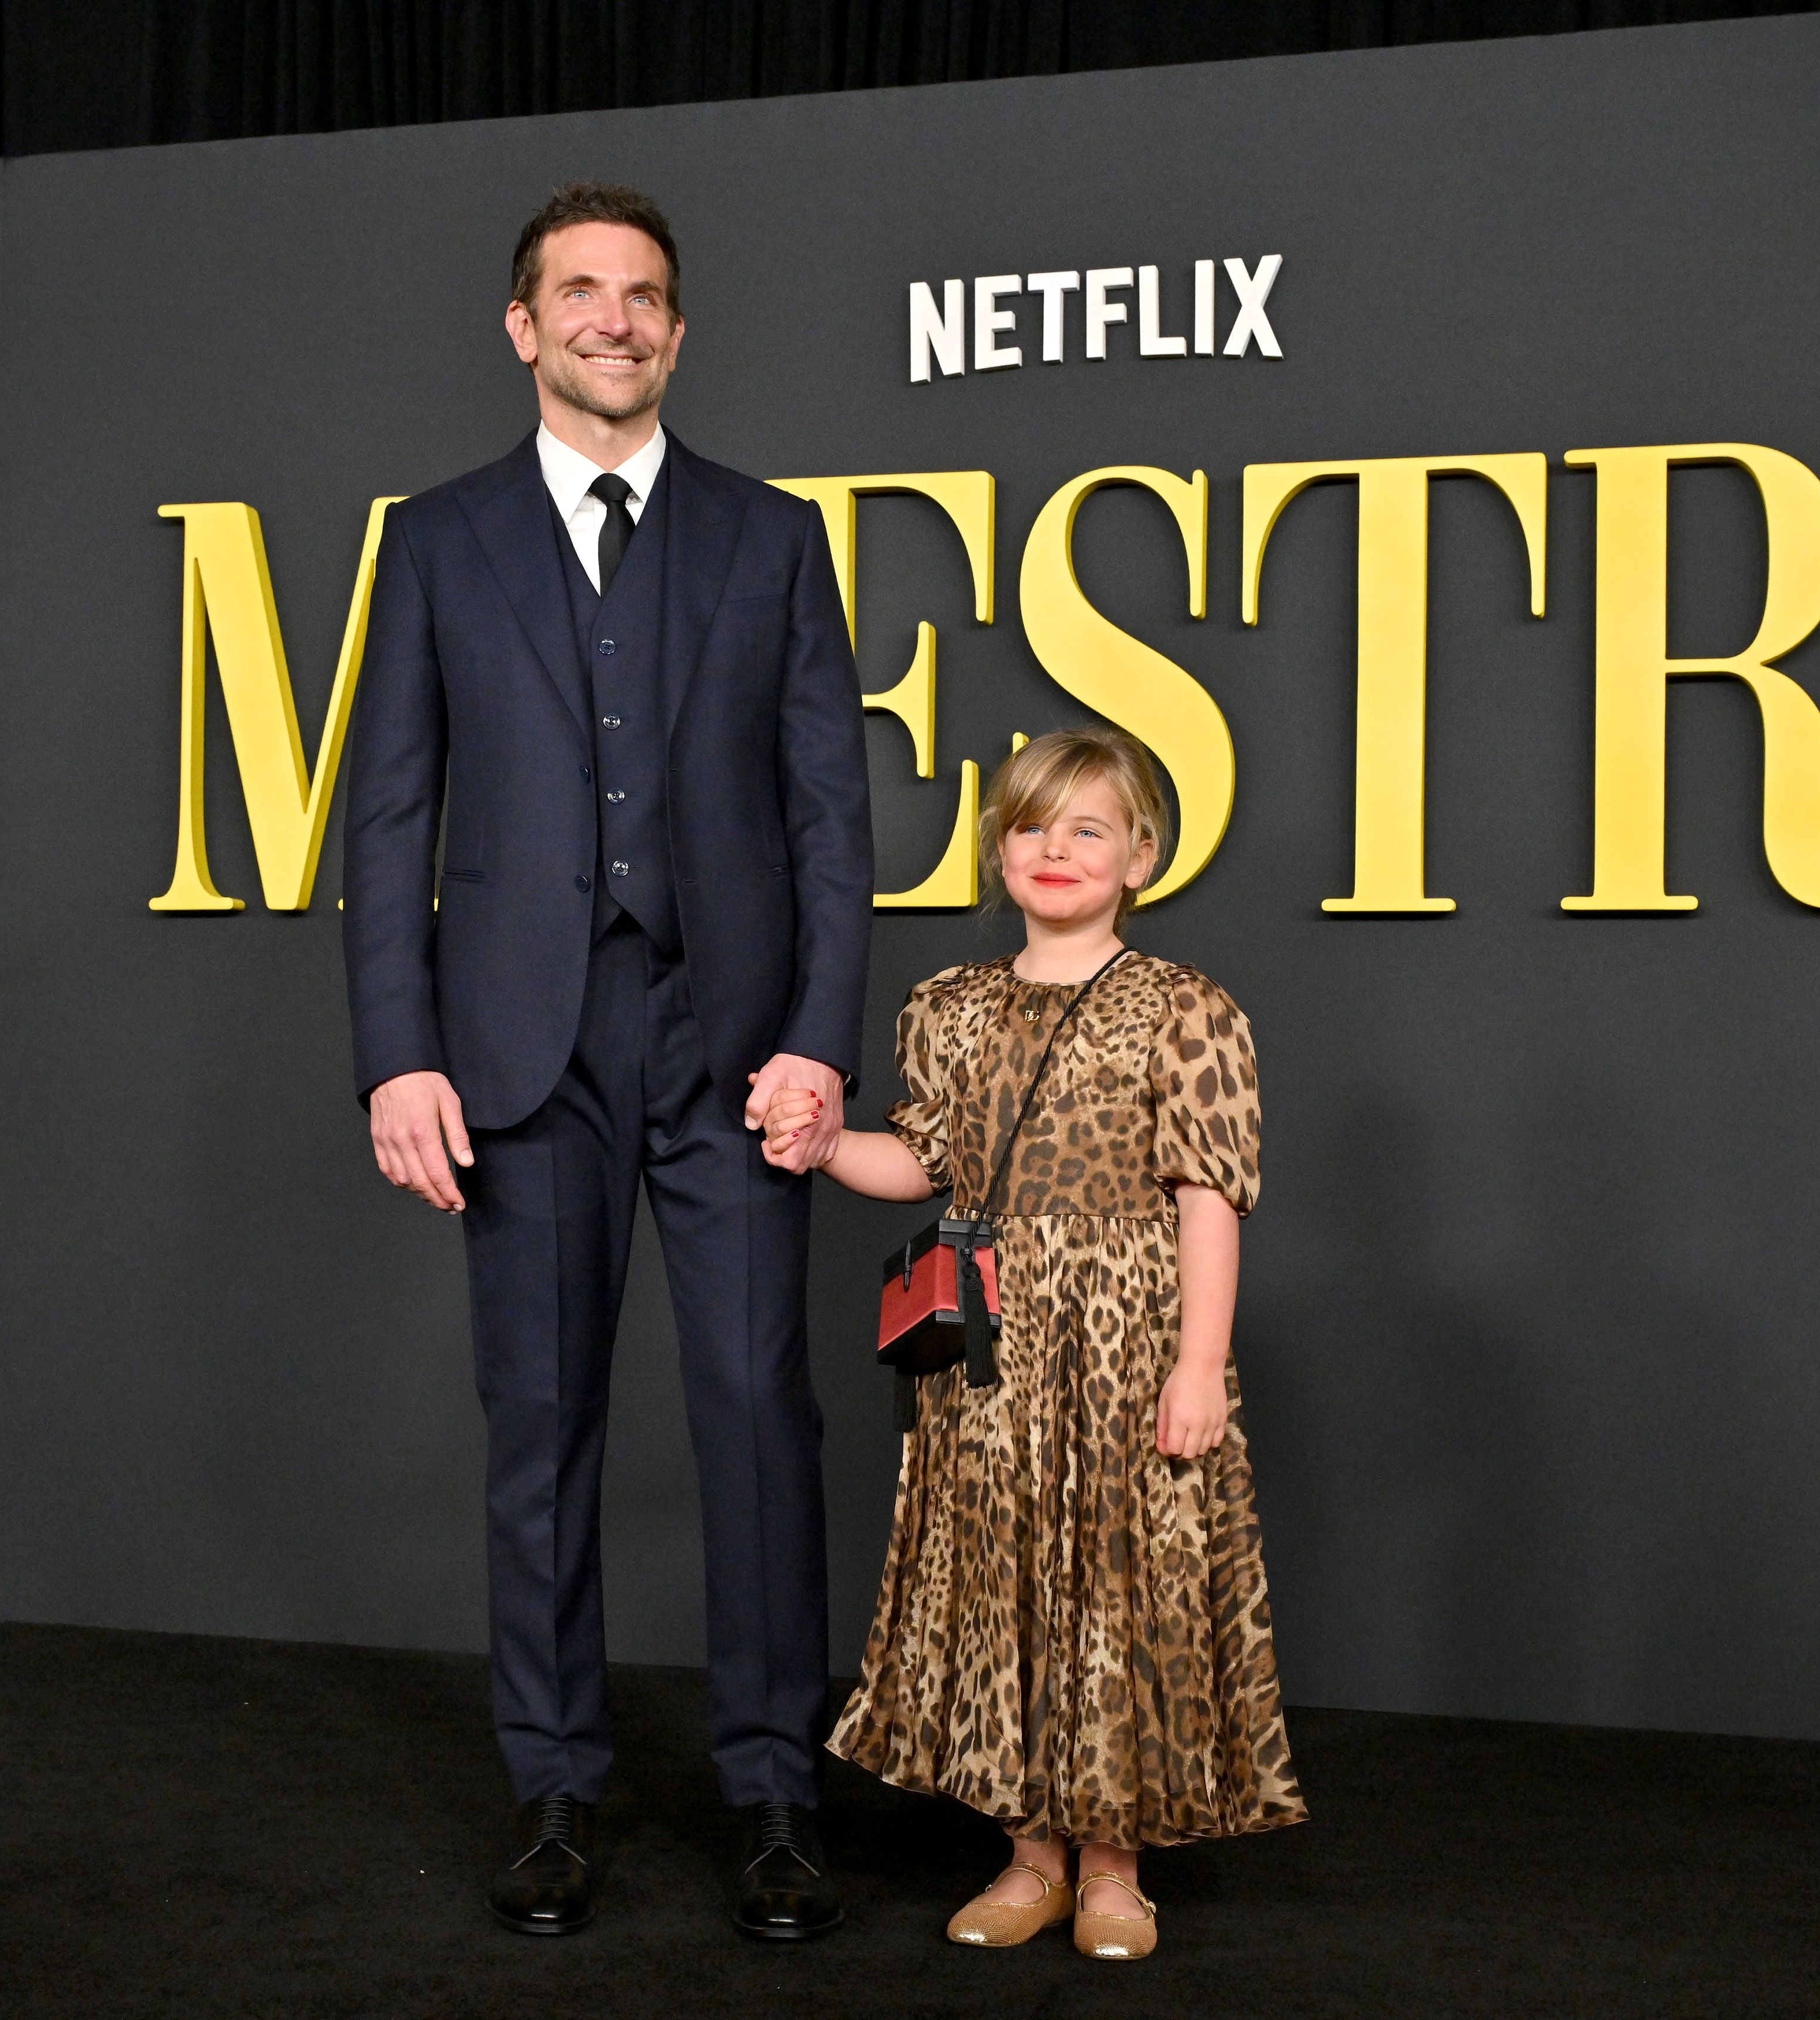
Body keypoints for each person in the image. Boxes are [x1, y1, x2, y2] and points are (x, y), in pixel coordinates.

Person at [339, 182, 872, 1940]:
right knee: (542, 1427)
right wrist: (395, 1052)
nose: (614, 320)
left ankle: (776, 1787)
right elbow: (389, 812)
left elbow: (828, 820)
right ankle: (557, 1782)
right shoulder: (433, 538)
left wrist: (816, 1040)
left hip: (728, 1045)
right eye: (581, 292)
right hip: (517, 1046)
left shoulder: (773, 536)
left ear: (679, 330)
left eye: (645, 295)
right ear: (522, 324)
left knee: (757, 1418)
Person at [760, 726, 1306, 1961]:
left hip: (1129, 1347)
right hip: (991, 1354)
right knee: (1004, 1583)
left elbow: (1207, 1194)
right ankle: (1030, 1854)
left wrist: (1199, 1363)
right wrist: (823, 1146)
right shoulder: (947, 1008)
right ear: (997, 847)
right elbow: (928, 1162)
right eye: (1031, 825)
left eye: (1088, 828)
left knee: (1122, 1588)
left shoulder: (1185, 1009)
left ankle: (1115, 1866)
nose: (1055, 850)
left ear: (1142, 855)